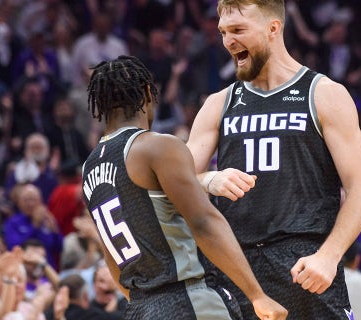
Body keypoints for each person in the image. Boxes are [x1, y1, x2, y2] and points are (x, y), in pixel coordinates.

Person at [185, 1, 361, 318]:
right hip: (237, 269)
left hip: (303, 263)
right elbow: (172, 180)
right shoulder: (219, 103)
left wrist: (329, 256)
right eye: (223, 32)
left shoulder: (323, 93)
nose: (228, 41)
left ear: (273, 29)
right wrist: (208, 179)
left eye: (238, 30)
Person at [83, 55, 286, 320]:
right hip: (187, 299)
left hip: (140, 308)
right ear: (147, 93)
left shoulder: (89, 168)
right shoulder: (157, 146)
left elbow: (111, 257)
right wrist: (256, 294)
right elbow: (204, 222)